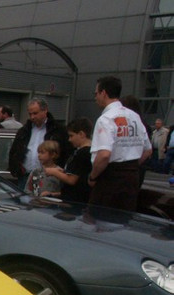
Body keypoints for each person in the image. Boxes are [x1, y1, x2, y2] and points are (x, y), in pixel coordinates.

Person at [89, 76, 152, 213]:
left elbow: (104, 155)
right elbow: (147, 150)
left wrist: (93, 176)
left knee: (100, 220)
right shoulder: (134, 117)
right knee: (123, 220)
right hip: (132, 177)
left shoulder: (106, 119)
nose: (95, 98)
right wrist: (130, 168)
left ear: (103, 93)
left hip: (109, 178)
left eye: (96, 93)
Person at [8, 97, 71, 190]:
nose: (32, 117)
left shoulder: (58, 130)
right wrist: (15, 167)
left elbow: (66, 152)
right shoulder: (24, 130)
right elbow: (15, 150)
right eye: (30, 114)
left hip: (49, 177)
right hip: (25, 176)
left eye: (35, 113)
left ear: (45, 110)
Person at [43, 118, 93, 203]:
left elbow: (72, 180)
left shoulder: (83, 154)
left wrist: (53, 172)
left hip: (75, 200)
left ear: (81, 134)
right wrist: (63, 172)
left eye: (71, 136)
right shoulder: (83, 151)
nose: (69, 140)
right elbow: (77, 173)